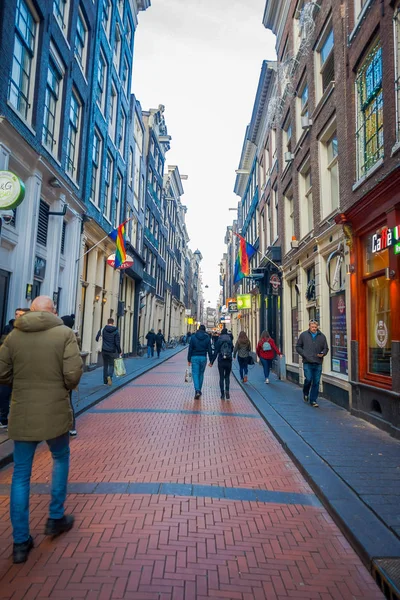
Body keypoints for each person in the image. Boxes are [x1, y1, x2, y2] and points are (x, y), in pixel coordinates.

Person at [0, 296, 83, 563]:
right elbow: (73, 375)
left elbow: (2, 372)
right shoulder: (65, 333)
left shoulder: (14, 336)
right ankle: (55, 518)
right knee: (60, 458)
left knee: (21, 474)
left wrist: (22, 384)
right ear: (53, 312)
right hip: (54, 411)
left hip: (23, 411)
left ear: (31, 311)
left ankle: (20, 543)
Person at [0, 308, 30, 429]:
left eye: (21, 315)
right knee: (4, 394)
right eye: (17, 314)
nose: (18, 317)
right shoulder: (9, 328)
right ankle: (3, 418)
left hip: (22, 370)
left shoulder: (30, 331)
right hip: (9, 369)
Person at [296, 320, 329, 408]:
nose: (314, 329)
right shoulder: (303, 335)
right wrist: (304, 354)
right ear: (309, 327)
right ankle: (305, 392)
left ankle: (313, 400)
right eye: (312, 327)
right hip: (307, 362)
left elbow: (326, 348)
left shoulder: (322, 336)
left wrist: (323, 353)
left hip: (318, 362)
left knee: (316, 382)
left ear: (317, 327)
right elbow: (298, 347)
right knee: (309, 379)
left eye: (315, 327)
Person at [61, 315, 81, 437]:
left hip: (63, 375)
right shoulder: (75, 338)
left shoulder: (65, 338)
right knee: (68, 402)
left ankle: (66, 427)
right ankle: (71, 427)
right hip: (69, 375)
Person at [187, 324, 213, 400]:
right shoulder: (207, 337)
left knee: (195, 374)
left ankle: (197, 390)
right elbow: (209, 349)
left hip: (194, 357)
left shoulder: (193, 337)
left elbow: (190, 349)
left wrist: (188, 359)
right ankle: (199, 390)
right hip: (203, 357)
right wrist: (211, 360)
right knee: (201, 374)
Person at [96, 318, 121, 385]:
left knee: (105, 365)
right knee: (111, 364)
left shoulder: (102, 330)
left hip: (104, 350)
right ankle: (109, 376)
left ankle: (105, 381)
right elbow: (117, 343)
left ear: (107, 322)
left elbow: (97, 338)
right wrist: (119, 351)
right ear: (113, 323)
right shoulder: (116, 331)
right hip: (112, 351)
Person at [210, 328, 234, 400]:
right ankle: (227, 390)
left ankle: (222, 394)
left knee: (221, 377)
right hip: (228, 360)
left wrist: (212, 361)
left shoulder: (219, 340)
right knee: (227, 377)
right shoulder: (230, 340)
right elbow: (232, 349)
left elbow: (216, 351)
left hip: (221, 360)